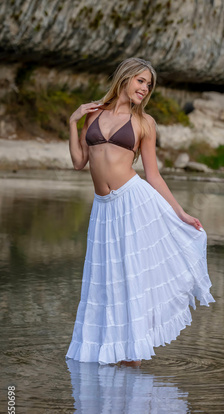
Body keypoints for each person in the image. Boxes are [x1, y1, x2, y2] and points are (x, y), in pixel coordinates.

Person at [65, 57, 215, 368]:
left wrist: (181, 213)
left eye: (149, 85)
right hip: (103, 210)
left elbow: (153, 175)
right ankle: (107, 353)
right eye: (141, 81)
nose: (145, 89)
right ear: (125, 78)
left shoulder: (145, 123)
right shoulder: (93, 115)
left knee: (130, 278)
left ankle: (132, 356)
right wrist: (72, 121)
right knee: (105, 279)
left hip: (134, 203)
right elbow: (79, 162)